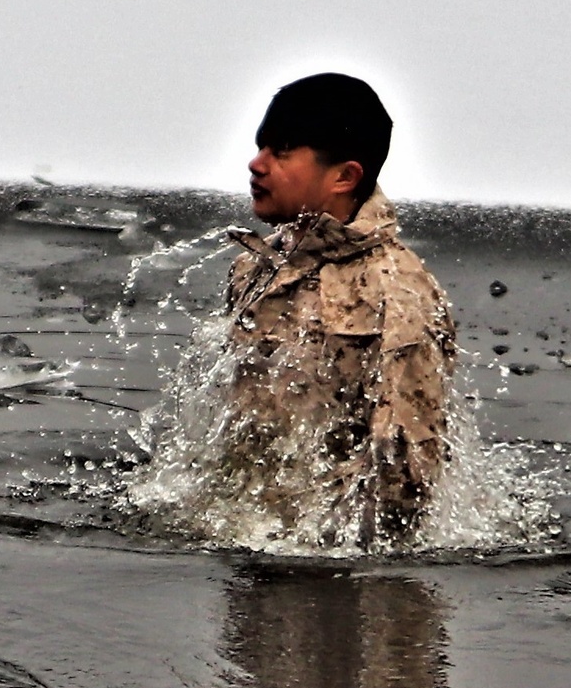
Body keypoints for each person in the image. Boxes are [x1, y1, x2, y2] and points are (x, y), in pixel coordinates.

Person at [147, 73, 457, 550]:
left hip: (335, 570)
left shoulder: (397, 292)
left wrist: (346, 557)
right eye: (261, 146)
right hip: (252, 541)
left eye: (282, 150)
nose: (257, 163)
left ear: (344, 176)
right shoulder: (256, 264)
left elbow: (410, 462)